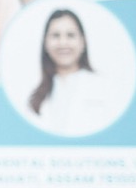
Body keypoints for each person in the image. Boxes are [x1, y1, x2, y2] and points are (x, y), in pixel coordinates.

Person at [28, 8, 115, 136]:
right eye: (55, 36)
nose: (63, 43)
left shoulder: (103, 87)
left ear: (83, 42)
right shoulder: (36, 96)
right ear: (45, 43)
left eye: (70, 35)